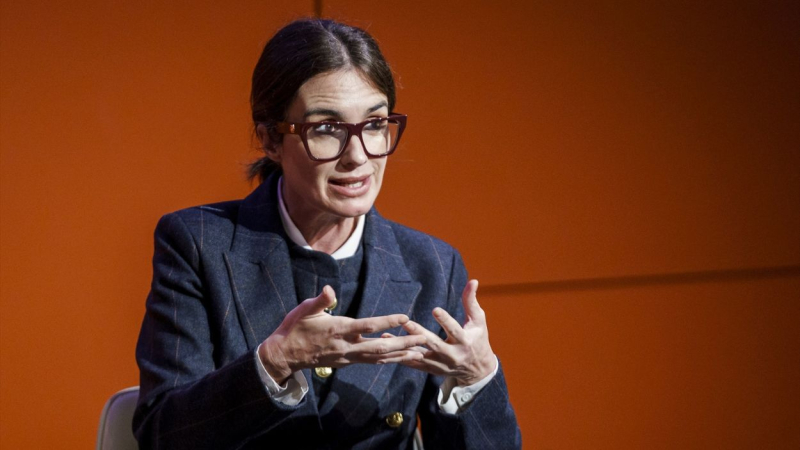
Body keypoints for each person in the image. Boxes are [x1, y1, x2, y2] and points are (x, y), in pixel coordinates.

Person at [134, 18, 521, 449]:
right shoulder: (198, 243)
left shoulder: (431, 265)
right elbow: (161, 433)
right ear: (270, 140)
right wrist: (273, 361)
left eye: (374, 124)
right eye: (325, 129)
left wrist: (476, 379)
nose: (357, 156)